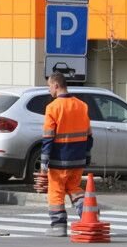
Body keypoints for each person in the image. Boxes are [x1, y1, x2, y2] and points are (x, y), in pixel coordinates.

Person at [40, 72, 93, 237]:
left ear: (56, 85)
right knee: (74, 188)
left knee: (55, 191)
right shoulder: (82, 105)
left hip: (59, 159)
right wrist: (86, 155)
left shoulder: (53, 108)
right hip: (78, 158)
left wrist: (43, 164)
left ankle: (58, 226)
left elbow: (48, 138)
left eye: (49, 86)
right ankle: (89, 216)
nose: (49, 89)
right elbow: (89, 136)